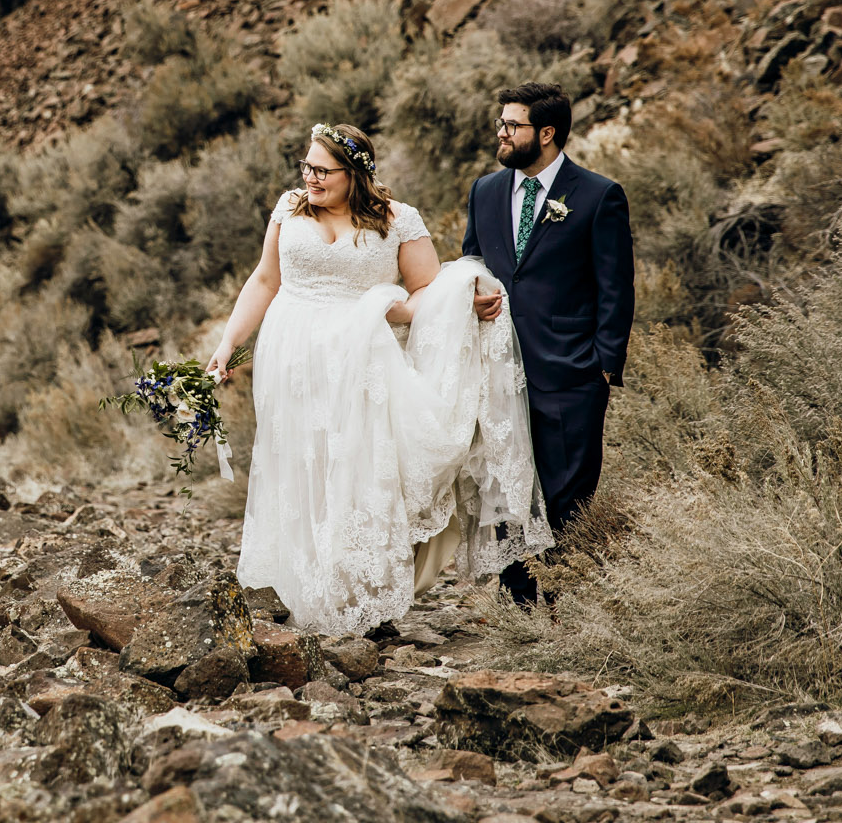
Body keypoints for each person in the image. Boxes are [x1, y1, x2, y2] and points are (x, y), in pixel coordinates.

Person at [207, 123, 552, 635]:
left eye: (322, 171)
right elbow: (264, 279)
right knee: (300, 466)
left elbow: (426, 297)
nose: (310, 178)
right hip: (291, 359)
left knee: (360, 468)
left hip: (363, 360)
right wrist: (227, 344)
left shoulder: (398, 220)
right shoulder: (290, 207)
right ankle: (297, 592)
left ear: (355, 174)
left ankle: (357, 596)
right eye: (306, 167)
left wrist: (393, 306)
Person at [462, 82, 634, 608]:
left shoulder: (598, 195)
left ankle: (563, 603)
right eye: (501, 123)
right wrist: (470, 295)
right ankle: (520, 607)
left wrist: (604, 366)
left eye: (512, 125)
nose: (501, 133)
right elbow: (471, 261)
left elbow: (616, 286)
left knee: (566, 493)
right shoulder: (486, 191)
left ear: (547, 133)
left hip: (572, 373)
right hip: (500, 369)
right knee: (510, 488)